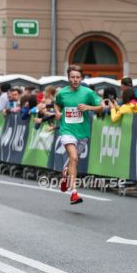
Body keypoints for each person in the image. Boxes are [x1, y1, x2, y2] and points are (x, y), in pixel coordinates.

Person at [55, 65, 103, 204]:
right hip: (67, 130)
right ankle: (74, 193)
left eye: (77, 77)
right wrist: (58, 112)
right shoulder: (62, 93)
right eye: (72, 77)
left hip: (82, 133)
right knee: (74, 158)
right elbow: (57, 104)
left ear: (81, 78)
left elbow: (101, 107)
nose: (75, 80)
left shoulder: (87, 93)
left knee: (73, 161)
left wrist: (89, 107)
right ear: (68, 78)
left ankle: (65, 173)